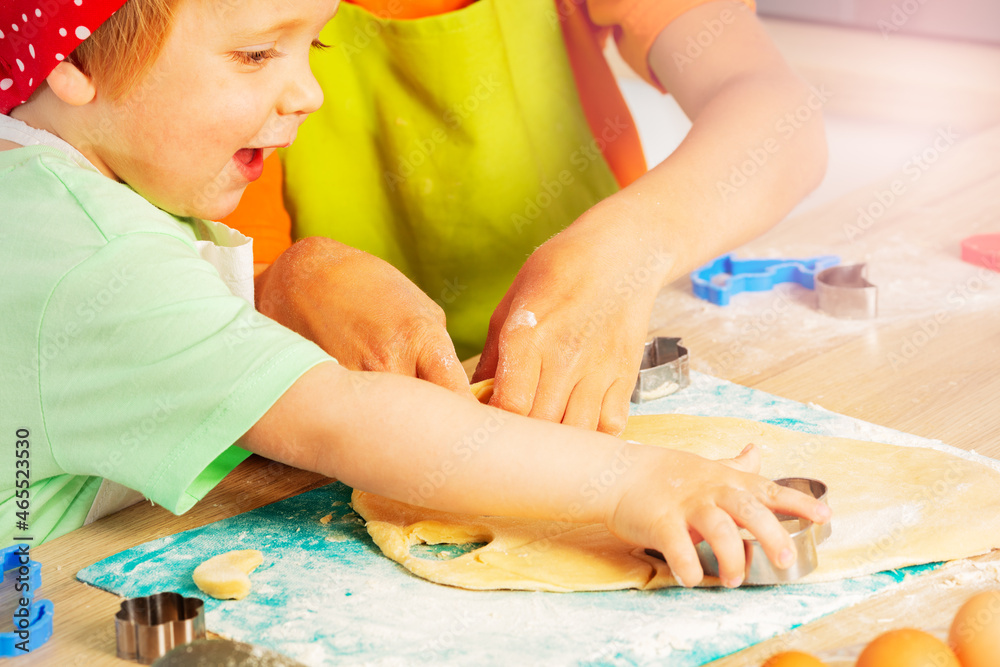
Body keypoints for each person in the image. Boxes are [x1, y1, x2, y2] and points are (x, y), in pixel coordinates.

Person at [0, 0, 829, 590]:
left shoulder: (48, 179)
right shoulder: (99, 254)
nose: (307, 93)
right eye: (258, 54)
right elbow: (335, 415)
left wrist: (631, 246)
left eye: (315, 49)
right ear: (72, 60)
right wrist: (640, 485)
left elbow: (777, 116)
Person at [225, 0, 829, 435]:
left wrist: (634, 244)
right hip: (324, 410)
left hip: (598, 370)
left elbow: (781, 119)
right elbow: (174, 280)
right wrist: (274, 284)